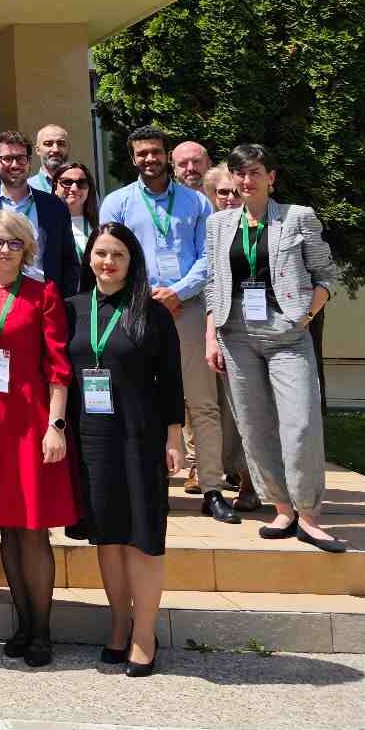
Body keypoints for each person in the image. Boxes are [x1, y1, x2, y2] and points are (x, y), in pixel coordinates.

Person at [0, 208, 76, 666]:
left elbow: (58, 367)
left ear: (27, 250)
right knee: (6, 525)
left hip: (31, 418)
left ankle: (42, 629)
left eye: (14, 243)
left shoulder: (43, 294)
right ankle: (21, 623)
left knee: (33, 528)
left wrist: (56, 425)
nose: (4, 250)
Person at [206, 144, 344, 552]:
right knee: (254, 425)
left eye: (254, 173)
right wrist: (212, 334)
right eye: (238, 174)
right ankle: (281, 508)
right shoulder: (219, 224)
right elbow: (215, 283)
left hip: (286, 333)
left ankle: (309, 514)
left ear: (271, 177)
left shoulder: (297, 217)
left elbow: (326, 275)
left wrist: (303, 318)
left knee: (299, 423)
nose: (246, 181)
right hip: (236, 335)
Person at [65, 223, 184, 675]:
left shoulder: (151, 313)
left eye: (118, 254)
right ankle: (118, 624)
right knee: (108, 537)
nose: (108, 262)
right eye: (100, 253)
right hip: (91, 438)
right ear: (89, 258)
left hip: (139, 436)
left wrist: (175, 440)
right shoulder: (73, 308)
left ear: (132, 261)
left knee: (143, 538)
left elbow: (171, 381)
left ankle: (144, 633)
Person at [100, 127, 232, 522]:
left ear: (166, 155)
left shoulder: (196, 203)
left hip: (186, 309)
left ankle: (211, 487)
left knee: (202, 402)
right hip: (136, 309)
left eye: (156, 152)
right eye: (141, 153)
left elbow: (210, 256)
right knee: (138, 399)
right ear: (133, 157)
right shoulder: (118, 202)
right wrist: (143, 294)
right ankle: (146, 485)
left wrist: (178, 291)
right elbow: (107, 255)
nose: (149, 159)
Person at [201, 162, 256, 510]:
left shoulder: (266, 225)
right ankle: (239, 475)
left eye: (236, 191)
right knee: (232, 409)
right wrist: (210, 336)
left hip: (266, 329)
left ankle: (254, 483)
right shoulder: (214, 231)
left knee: (256, 410)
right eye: (223, 193)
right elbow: (211, 285)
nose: (231, 198)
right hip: (226, 326)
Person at [0, 131, 79, 305]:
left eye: (21, 158)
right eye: (7, 158)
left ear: (29, 162)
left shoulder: (54, 206)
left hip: (43, 302)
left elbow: (69, 262)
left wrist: (63, 303)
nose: (15, 164)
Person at [53, 161, 102, 275]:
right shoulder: (44, 225)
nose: (74, 188)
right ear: (55, 187)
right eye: (67, 182)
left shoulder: (101, 224)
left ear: (89, 189)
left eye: (82, 183)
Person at [30, 124, 73, 195]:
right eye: (48, 144)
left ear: (68, 148)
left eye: (61, 144)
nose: (55, 150)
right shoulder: (27, 188)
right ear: (38, 150)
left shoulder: (81, 186)